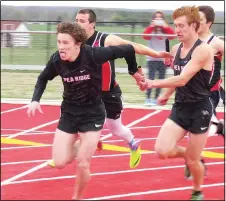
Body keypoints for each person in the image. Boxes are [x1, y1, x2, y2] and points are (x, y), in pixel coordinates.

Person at [27, 22, 144, 200]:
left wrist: (133, 70)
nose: (61, 47)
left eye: (65, 43)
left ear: (77, 44)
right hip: (69, 114)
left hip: (92, 113)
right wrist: (35, 100)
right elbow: (43, 78)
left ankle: (77, 197)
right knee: (59, 162)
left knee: (82, 162)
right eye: (59, 42)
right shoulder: (56, 60)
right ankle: (87, 143)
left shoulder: (93, 54)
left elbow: (128, 49)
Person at [47, 8, 172, 169]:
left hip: (108, 94)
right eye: (76, 20)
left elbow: (132, 47)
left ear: (92, 24)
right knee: (71, 120)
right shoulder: (73, 43)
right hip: (86, 96)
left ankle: (133, 144)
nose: (77, 23)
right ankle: (73, 148)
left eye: (82, 21)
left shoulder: (105, 39)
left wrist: (155, 55)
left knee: (116, 129)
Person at [138, 6, 214, 200]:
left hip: (200, 110)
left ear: (194, 26)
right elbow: (177, 77)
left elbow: (183, 79)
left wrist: (153, 83)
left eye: (181, 26)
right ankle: (190, 157)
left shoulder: (203, 49)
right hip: (180, 107)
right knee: (161, 150)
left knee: (194, 160)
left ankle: (197, 190)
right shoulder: (176, 48)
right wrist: (165, 94)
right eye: (175, 25)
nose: (177, 30)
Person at [183, 5, 225, 180]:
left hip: (209, 93)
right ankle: (219, 128)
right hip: (189, 92)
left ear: (209, 23)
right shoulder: (190, 40)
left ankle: (195, 162)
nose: (195, 24)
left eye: (199, 21)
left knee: (196, 130)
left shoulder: (216, 43)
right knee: (188, 128)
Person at [142, 10, 176, 106]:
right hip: (151, 58)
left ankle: (156, 98)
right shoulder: (151, 29)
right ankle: (148, 98)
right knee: (151, 78)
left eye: (160, 18)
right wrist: (151, 26)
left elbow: (173, 36)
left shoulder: (166, 30)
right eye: (156, 18)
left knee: (161, 80)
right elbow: (145, 36)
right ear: (153, 19)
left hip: (163, 59)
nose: (158, 20)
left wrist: (165, 26)